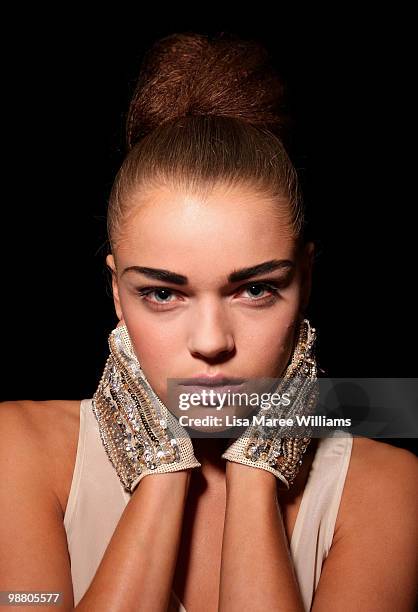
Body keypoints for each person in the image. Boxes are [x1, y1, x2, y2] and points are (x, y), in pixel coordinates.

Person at [1, 32, 417, 612]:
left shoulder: (388, 489)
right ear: (117, 293)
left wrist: (255, 474)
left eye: (255, 289)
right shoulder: (17, 449)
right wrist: (162, 470)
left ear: (307, 280)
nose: (212, 343)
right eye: (162, 294)